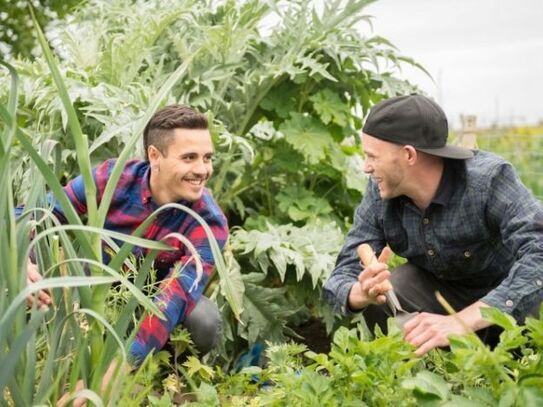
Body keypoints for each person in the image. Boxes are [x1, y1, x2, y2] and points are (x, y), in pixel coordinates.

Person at [323, 94, 543, 356]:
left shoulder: (487, 180)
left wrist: (460, 322)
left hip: (509, 300)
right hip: (444, 297)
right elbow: (342, 274)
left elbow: (539, 252)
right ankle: (424, 381)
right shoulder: (380, 192)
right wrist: (360, 291)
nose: (366, 167)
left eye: (372, 156)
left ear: (408, 155)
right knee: (394, 286)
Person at [24, 104, 229, 366]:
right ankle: (41, 349)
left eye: (207, 157)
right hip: (91, 288)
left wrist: (115, 371)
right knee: (27, 256)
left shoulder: (209, 222)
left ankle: (162, 375)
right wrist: (21, 263)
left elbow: (173, 300)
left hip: (152, 305)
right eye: (189, 158)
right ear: (154, 155)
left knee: (203, 321)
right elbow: (36, 213)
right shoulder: (114, 179)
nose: (202, 170)